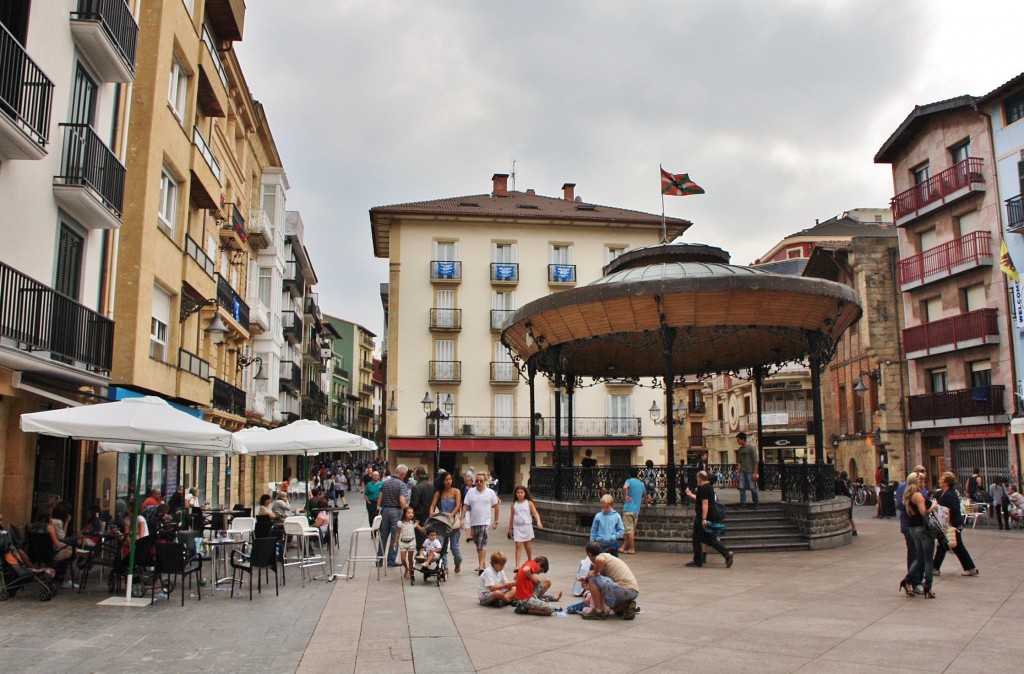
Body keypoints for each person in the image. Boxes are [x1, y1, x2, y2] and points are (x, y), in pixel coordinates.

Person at [932, 471, 979, 578]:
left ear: (946, 483)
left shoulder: (950, 495)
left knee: (950, 545)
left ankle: (935, 568)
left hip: (953, 524)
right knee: (950, 545)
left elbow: (954, 509)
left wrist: (940, 508)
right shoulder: (943, 493)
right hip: (947, 524)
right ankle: (969, 568)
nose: (939, 481)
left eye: (942, 479)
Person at [899, 471, 938, 598]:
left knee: (919, 557)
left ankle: (907, 580)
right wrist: (933, 507)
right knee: (928, 559)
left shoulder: (908, 495)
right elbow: (923, 512)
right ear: (918, 483)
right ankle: (928, 586)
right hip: (923, 528)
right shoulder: (918, 496)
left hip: (913, 528)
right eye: (923, 481)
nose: (925, 484)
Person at [684, 471, 733, 568]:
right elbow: (700, 499)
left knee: (698, 538)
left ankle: (698, 560)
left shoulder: (703, 488)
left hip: (703, 518)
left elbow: (705, 503)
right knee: (707, 538)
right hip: (708, 516)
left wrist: (703, 518)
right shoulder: (709, 487)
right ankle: (726, 554)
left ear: (699, 478)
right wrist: (690, 494)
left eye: (697, 478)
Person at [580, 541, 639, 620]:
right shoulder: (609, 557)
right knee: (610, 603)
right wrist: (586, 580)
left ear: (590, 554)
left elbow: (600, 561)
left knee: (592, 577)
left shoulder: (600, 557)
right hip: (633, 592)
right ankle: (626, 606)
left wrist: (594, 573)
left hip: (623, 589)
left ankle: (598, 612)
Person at [462, 472, 499, 574]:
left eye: (481, 481)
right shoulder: (470, 492)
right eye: (477, 481)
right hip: (474, 522)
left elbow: (496, 506)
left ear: (485, 481)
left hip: (485, 522)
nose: (479, 482)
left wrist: (496, 521)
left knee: (481, 544)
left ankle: (481, 566)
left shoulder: (490, 492)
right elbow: (465, 506)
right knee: (478, 544)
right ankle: (483, 563)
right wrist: (462, 518)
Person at [895, 464, 927, 575]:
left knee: (921, 553)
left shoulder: (922, 487)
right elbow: (900, 504)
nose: (924, 474)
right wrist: (913, 506)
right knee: (914, 552)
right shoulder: (903, 487)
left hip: (921, 524)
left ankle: (918, 576)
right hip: (909, 525)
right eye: (922, 471)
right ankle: (912, 577)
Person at [430, 471, 464, 573]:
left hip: (453, 521)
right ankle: (445, 567)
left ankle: (458, 561)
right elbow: (432, 505)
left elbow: (458, 505)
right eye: (446, 480)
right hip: (442, 520)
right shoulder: (439, 493)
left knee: (454, 547)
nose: (448, 481)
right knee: (442, 545)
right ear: (442, 481)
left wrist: (452, 514)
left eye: (450, 479)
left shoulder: (456, 491)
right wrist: (431, 513)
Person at [378, 464, 410, 568]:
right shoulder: (401, 484)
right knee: (394, 537)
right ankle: (391, 561)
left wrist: (379, 507)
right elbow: (402, 499)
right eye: (405, 474)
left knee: (383, 536)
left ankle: (379, 560)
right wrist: (406, 512)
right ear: (402, 474)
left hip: (385, 510)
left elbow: (380, 497)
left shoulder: (385, 483)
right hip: (396, 511)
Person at [508, 485, 543, 569]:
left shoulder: (529, 503)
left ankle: (529, 559)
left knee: (527, 545)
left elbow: (535, 513)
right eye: (518, 492)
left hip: (526, 526)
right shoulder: (514, 504)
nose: (519, 494)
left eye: (521, 492)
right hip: (517, 526)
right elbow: (512, 517)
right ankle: (517, 565)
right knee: (518, 545)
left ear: (525, 493)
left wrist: (538, 522)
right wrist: (510, 529)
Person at [621, 469, 646, 554]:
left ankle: (632, 548)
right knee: (630, 530)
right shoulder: (641, 484)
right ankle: (623, 547)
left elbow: (625, 487)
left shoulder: (629, 481)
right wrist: (647, 504)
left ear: (629, 474)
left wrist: (625, 496)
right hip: (636, 510)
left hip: (628, 508)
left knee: (629, 530)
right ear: (637, 475)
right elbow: (645, 496)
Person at [410, 467, 435, 550]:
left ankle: (421, 553)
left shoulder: (416, 487)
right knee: (428, 538)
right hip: (429, 515)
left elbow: (414, 504)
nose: (413, 475)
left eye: (414, 474)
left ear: (418, 475)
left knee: (420, 540)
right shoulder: (431, 485)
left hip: (419, 516)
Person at [394, 507, 421, 579]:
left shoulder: (414, 523)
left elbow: (421, 529)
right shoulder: (401, 523)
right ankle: (406, 568)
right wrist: (395, 542)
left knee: (410, 558)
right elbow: (397, 533)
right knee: (403, 559)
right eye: (408, 513)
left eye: (412, 513)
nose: (410, 514)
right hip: (403, 543)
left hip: (411, 542)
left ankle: (410, 571)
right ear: (404, 514)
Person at [735, 432, 759, 508]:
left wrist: (755, 473)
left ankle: (756, 502)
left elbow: (755, 461)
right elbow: (739, 462)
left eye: (738, 440)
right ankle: (743, 503)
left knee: (752, 487)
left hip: (750, 471)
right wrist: (738, 471)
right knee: (741, 487)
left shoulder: (751, 448)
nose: (737, 442)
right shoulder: (740, 449)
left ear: (743, 439)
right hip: (742, 471)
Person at [835, 471, 858, 536]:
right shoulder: (847, 481)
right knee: (849, 516)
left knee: (849, 516)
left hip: (848, 499)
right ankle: (853, 529)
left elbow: (839, 492)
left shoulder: (840, 482)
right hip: (849, 499)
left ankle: (854, 529)